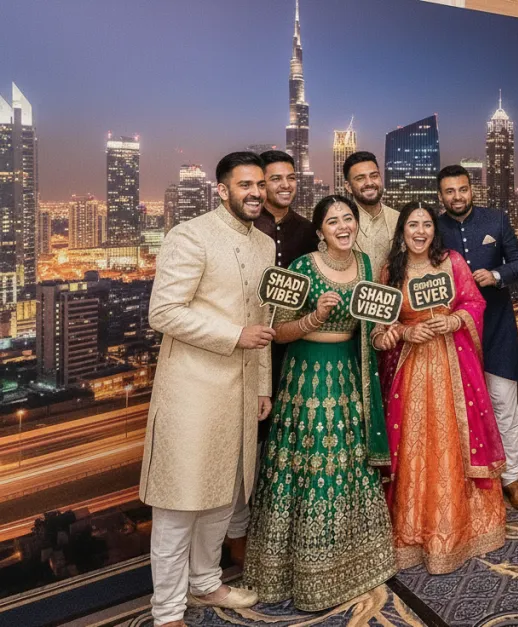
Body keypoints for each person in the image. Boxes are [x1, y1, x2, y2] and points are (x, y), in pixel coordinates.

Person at [141, 152, 274, 626]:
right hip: (192, 390)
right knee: (180, 504)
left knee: (224, 495)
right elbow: (164, 312)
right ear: (223, 190)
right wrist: (233, 335)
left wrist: (262, 386)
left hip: (240, 392)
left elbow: (263, 321)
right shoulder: (190, 235)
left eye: (260, 184)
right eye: (245, 185)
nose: (255, 192)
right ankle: (168, 611)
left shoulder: (264, 245)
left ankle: (205, 583)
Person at [243, 195, 395, 609]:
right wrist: (313, 319)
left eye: (348, 219)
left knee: (350, 463)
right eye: (333, 221)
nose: (343, 226)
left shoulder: (366, 266)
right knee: (311, 464)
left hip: (351, 375)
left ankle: (356, 562)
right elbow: (277, 331)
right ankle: (304, 571)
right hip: (308, 377)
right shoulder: (304, 268)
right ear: (320, 230)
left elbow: (376, 322)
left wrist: (385, 332)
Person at [375, 200, 507, 573]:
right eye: (412, 225)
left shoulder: (452, 261)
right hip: (411, 368)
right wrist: (405, 331)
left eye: (426, 225)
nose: (420, 232)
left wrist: (455, 321)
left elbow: (474, 302)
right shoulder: (391, 270)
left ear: (435, 229)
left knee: (452, 438)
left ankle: (462, 530)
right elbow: (380, 329)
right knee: (415, 443)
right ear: (402, 230)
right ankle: (414, 533)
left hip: (453, 363)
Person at [226, 149, 319, 563]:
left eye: (289, 178)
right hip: (247, 352)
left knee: (285, 446)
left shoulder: (308, 229)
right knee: (246, 449)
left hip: (294, 355)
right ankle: (237, 533)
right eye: (272, 179)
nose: (282, 186)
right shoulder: (247, 227)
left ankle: (279, 531)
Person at [436, 165, 518, 510]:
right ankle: (469, 477)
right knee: (461, 407)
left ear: (471, 190)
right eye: (449, 191)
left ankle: (512, 479)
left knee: (504, 403)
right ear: (441, 195)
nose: (457, 196)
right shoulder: (435, 227)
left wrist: (495, 274)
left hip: (497, 328)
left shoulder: (496, 220)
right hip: (456, 331)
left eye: (462, 189)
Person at [342, 151, 398, 277]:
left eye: (374, 176)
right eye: (360, 178)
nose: (369, 183)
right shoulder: (340, 225)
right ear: (348, 186)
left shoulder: (399, 219)